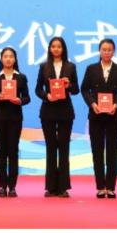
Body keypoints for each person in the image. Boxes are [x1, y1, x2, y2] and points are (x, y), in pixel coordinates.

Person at [80, 39, 117, 198]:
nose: (106, 52)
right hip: (96, 116)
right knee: (97, 151)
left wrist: (116, 105)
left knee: (112, 152)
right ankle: (101, 187)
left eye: (109, 50)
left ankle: (111, 187)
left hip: (113, 116)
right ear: (99, 51)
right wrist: (92, 104)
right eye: (104, 49)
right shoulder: (91, 69)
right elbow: (84, 89)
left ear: (114, 52)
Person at [34, 36, 79, 197]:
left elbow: (76, 90)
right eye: (53, 46)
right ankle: (51, 187)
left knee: (64, 148)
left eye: (59, 46)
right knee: (51, 148)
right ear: (50, 49)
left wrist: (69, 85)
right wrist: (47, 96)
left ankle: (63, 187)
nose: (56, 49)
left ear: (63, 49)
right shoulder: (44, 66)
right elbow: (38, 89)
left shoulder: (71, 66)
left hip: (65, 112)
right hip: (48, 111)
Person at [0, 46, 31, 197]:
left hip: (15, 118)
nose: (8, 59)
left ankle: (13, 186)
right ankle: (2, 186)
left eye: (11, 56)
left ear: (15, 59)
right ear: (1, 59)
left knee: (13, 151)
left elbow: (27, 98)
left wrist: (19, 100)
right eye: (5, 56)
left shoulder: (21, 77)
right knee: (1, 151)